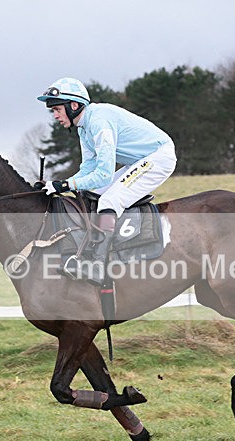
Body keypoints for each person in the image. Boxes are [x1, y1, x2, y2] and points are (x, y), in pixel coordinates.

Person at [37, 77, 177, 286]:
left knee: (109, 201)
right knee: (89, 194)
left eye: (57, 109)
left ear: (74, 105)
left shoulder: (98, 121)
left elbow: (103, 174)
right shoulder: (83, 127)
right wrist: (57, 185)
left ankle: (98, 265)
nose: (55, 115)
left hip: (158, 156)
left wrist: (65, 185)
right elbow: (87, 170)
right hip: (140, 160)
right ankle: (87, 253)